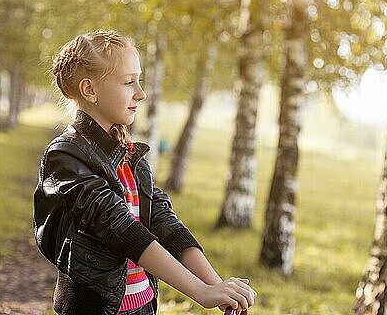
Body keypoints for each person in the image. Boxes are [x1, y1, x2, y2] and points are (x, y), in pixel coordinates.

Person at [33, 30, 257, 315]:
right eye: (129, 82)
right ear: (90, 90)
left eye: (139, 80)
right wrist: (201, 292)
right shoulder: (65, 156)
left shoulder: (128, 153)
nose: (141, 93)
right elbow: (121, 228)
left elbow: (163, 220)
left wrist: (217, 286)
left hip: (143, 306)